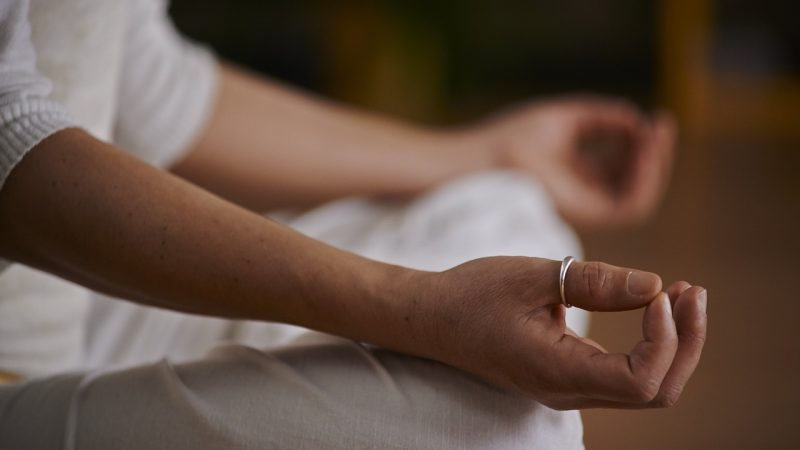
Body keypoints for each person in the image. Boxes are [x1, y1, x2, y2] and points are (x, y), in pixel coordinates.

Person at [0, 0, 707, 448]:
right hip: (16, 374)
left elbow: (148, 82)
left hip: (94, 301)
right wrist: (416, 308)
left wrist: (487, 154)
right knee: (508, 430)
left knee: (508, 205)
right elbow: (13, 155)